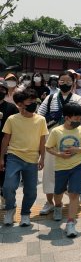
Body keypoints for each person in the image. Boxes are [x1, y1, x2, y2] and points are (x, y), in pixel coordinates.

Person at [37, 71, 81, 215]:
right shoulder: (50, 98)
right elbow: (40, 116)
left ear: (73, 83)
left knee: (71, 169)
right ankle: (49, 202)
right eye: (62, 82)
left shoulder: (78, 99)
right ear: (58, 82)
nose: (65, 84)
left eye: (68, 82)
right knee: (50, 171)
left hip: (71, 139)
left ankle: (72, 198)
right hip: (52, 139)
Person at [0, 88, 48, 227]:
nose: (34, 103)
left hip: (32, 159)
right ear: (20, 104)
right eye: (30, 101)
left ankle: (25, 213)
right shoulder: (12, 119)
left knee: (31, 191)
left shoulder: (41, 120)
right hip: (14, 157)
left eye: (35, 101)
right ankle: (10, 209)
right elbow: (5, 139)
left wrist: (42, 158)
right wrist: (1, 158)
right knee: (8, 186)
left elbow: (42, 140)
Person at [45, 102, 81, 238]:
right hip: (61, 167)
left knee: (74, 193)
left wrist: (78, 149)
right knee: (58, 191)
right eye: (75, 119)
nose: (78, 121)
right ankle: (58, 206)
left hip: (77, 165)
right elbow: (48, 147)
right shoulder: (56, 131)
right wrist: (59, 154)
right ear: (67, 118)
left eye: (80, 118)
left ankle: (71, 223)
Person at [0, 80, 19, 209]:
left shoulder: (11, 107)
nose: (0, 92)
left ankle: (5, 198)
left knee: (5, 174)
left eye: (2, 89)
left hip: (6, 146)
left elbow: (16, 128)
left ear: (6, 92)